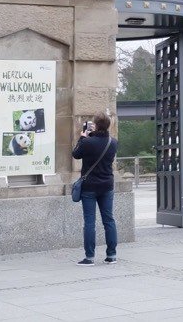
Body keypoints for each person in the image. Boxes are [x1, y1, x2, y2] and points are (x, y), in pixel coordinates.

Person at [72, 113, 118, 265]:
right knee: (109, 220)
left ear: (96, 125)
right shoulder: (113, 142)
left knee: (90, 222)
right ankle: (111, 255)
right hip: (107, 186)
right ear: (108, 125)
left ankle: (90, 257)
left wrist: (82, 137)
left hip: (89, 187)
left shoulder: (87, 142)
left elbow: (75, 154)